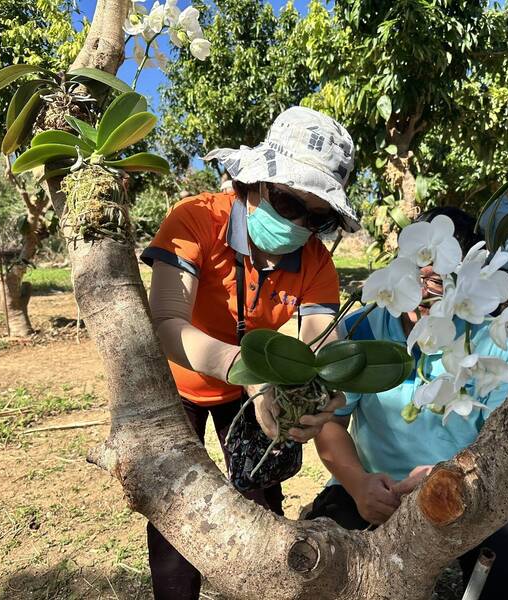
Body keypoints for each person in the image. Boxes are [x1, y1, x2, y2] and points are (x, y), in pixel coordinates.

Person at [140, 106, 358, 599]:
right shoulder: (196, 219)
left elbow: (319, 335)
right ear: (255, 182)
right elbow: (167, 323)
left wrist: (316, 392)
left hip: (254, 387)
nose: (299, 223)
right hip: (181, 385)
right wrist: (247, 370)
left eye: (317, 216)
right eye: (287, 201)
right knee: (177, 507)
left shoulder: (315, 261)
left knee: (261, 497)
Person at [306, 206, 508, 599]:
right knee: (322, 566)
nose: (423, 292)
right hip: (374, 487)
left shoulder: (491, 342)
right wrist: (357, 484)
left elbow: (505, 442)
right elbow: (330, 423)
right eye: (414, 275)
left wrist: (455, 476)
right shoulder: (362, 330)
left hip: (470, 485)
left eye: (439, 282)